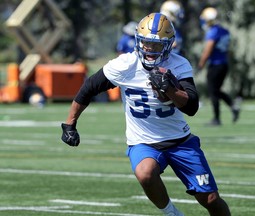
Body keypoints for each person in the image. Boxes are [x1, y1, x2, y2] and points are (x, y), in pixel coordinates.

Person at [61, 13, 231, 216]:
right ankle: (172, 213)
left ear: (168, 45)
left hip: (180, 141)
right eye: (146, 43)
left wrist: (170, 90)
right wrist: (70, 124)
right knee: (145, 173)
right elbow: (88, 87)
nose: (149, 50)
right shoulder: (124, 65)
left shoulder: (178, 64)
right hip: (143, 142)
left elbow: (191, 107)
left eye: (156, 45)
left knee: (210, 199)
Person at [198, 7, 240, 126]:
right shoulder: (224, 31)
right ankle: (233, 106)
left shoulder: (213, 32)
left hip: (215, 65)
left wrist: (201, 64)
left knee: (213, 92)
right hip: (224, 64)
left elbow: (208, 50)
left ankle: (217, 118)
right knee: (216, 90)